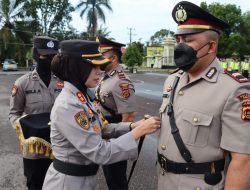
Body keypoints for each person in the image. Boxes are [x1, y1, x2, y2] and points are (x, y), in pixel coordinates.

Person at [42, 40, 161, 190]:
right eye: (94, 66)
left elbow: (99, 128)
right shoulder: (68, 104)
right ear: (77, 68)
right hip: (68, 183)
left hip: (83, 178)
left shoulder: (81, 96)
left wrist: (132, 126)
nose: (99, 70)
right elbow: (99, 152)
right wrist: (138, 132)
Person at [157, 1, 250, 190]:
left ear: (211, 46)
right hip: (164, 181)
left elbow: (242, 162)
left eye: (189, 40)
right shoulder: (172, 81)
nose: (180, 46)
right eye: (178, 40)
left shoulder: (233, 89)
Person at [9, 36, 61, 190]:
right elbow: (14, 114)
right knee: (36, 185)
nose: (50, 60)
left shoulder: (63, 82)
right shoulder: (22, 84)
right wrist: (27, 130)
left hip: (60, 148)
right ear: (35, 54)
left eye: (53, 56)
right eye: (46, 55)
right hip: (35, 152)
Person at [95, 36, 136, 190]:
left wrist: (121, 146)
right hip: (106, 133)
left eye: (102, 55)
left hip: (115, 136)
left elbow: (129, 116)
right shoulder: (106, 77)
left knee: (117, 180)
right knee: (110, 177)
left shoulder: (121, 81)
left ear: (113, 57)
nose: (99, 59)